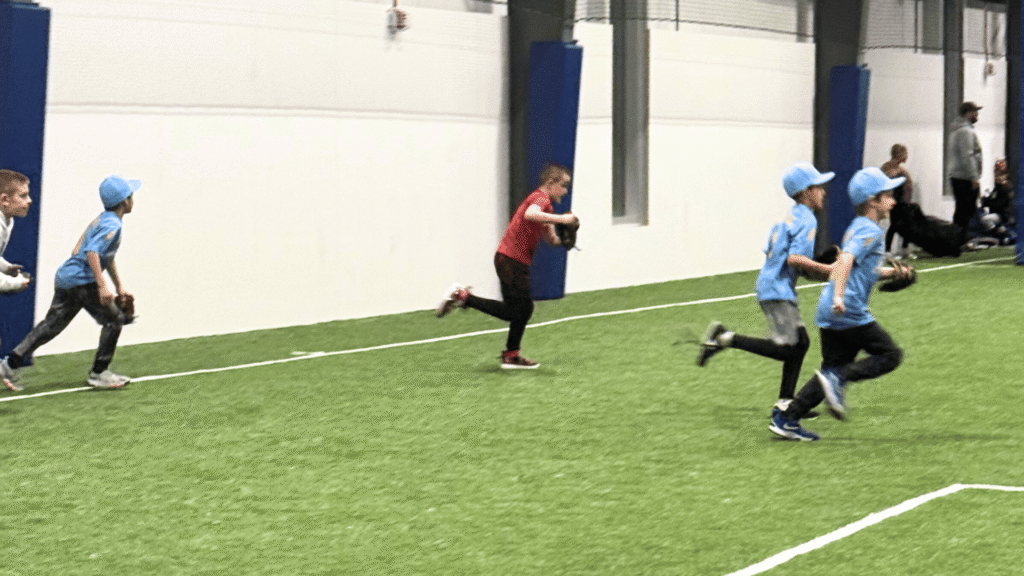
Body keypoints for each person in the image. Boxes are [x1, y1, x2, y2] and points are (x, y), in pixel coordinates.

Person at [770, 167, 909, 441]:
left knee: (830, 371)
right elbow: (845, 261)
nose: (893, 201)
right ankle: (837, 380)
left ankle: (787, 417)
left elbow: (860, 268)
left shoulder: (859, 227)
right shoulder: (870, 230)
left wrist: (891, 272)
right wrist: (838, 296)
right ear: (873, 201)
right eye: (888, 195)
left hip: (830, 313)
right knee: (890, 356)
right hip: (847, 311)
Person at [697, 162, 836, 418]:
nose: (824, 192)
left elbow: (790, 261)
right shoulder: (808, 219)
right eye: (819, 187)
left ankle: (785, 401)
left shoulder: (790, 216)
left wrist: (820, 264)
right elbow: (795, 260)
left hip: (771, 285)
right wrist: (830, 270)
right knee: (791, 347)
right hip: (777, 289)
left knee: (799, 343)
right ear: (806, 192)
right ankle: (725, 337)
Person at [0, 175, 140, 391]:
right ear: (125, 201)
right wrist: (102, 286)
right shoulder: (113, 225)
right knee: (115, 320)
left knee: (51, 326)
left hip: (67, 277)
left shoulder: (102, 219)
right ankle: (99, 372)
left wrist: (118, 285)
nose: (133, 200)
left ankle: (10, 364)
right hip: (82, 281)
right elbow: (92, 252)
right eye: (131, 196)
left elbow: (97, 254)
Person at [435, 163, 578, 369]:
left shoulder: (547, 208)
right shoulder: (540, 198)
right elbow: (530, 214)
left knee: (519, 309)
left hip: (511, 260)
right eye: (563, 185)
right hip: (511, 260)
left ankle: (511, 354)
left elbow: (550, 237)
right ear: (550, 183)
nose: (565, 191)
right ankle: (464, 297)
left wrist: (565, 239)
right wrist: (561, 218)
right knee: (520, 310)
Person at [948, 101, 983, 231]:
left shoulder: (957, 130)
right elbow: (967, 155)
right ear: (968, 113)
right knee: (965, 211)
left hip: (959, 176)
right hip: (964, 177)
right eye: (975, 112)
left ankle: (958, 238)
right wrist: (973, 177)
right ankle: (960, 239)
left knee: (962, 209)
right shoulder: (965, 132)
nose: (977, 115)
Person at [0, 170, 34, 297]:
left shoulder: (8, 220)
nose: (29, 200)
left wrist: (5, 267)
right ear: (4, 200)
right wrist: (17, 283)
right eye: (23, 196)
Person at [881, 144, 914, 255]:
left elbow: (908, 185)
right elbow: (884, 180)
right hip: (893, 200)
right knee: (894, 225)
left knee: (908, 223)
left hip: (902, 201)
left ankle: (904, 248)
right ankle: (887, 251)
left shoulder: (902, 170)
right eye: (905, 153)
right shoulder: (887, 167)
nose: (907, 156)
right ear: (898, 154)